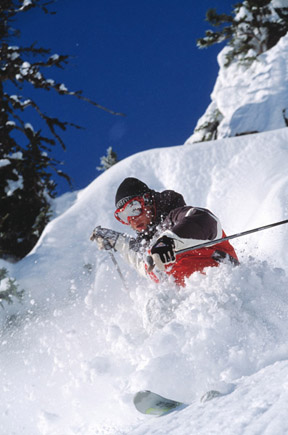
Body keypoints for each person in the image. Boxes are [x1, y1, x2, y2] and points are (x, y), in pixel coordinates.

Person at [90, 177, 239, 287]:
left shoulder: (175, 218)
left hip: (224, 287)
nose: (132, 220)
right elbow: (136, 256)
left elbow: (204, 219)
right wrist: (115, 240)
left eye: (134, 209)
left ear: (147, 200)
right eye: (124, 217)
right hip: (189, 312)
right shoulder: (149, 248)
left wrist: (169, 240)